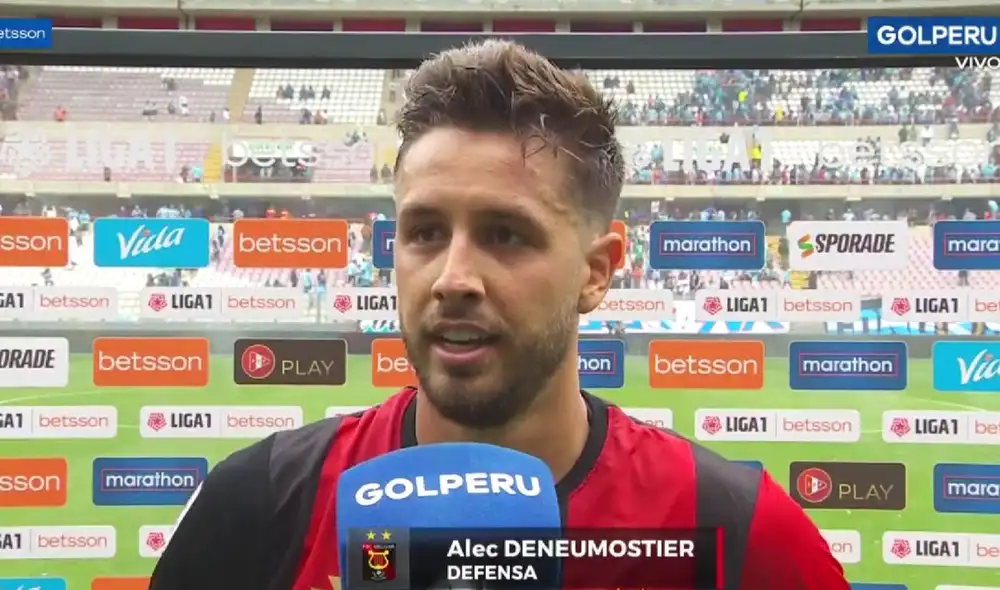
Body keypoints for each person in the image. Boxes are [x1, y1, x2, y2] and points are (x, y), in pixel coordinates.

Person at [150, 40, 850, 590]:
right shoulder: (259, 505)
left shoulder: (738, 531)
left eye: (506, 235)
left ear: (597, 272)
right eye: (424, 232)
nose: (453, 278)